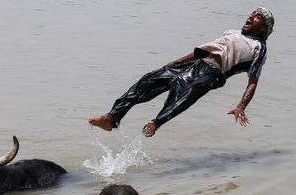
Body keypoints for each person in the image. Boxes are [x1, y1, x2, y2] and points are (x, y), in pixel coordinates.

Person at [89, 8, 274, 137]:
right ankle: (112, 117)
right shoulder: (231, 32)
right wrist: (169, 65)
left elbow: (253, 81)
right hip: (195, 62)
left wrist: (241, 106)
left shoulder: (259, 47)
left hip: (212, 73)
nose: (251, 15)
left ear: (264, 28)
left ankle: (156, 123)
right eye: (252, 12)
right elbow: (199, 52)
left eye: (258, 16)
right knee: (149, 79)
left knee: (182, 91)